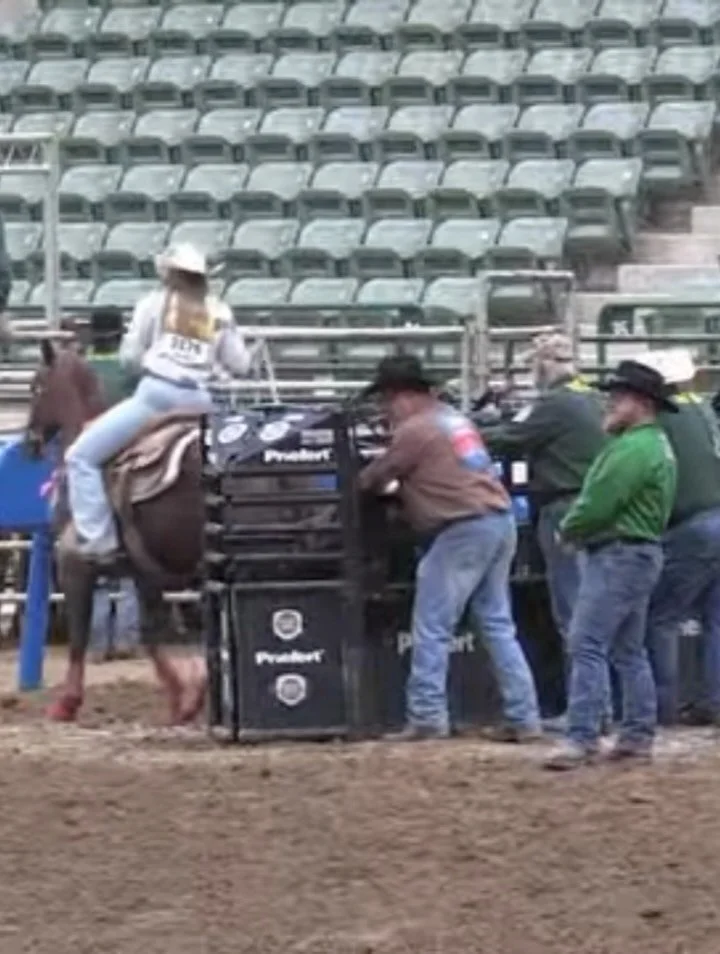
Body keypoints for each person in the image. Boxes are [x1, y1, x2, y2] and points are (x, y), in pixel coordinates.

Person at [358, 355, 542, 742]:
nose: (384, 410)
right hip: (497, 519)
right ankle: (524, 715)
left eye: (386, 402)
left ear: (401, 396)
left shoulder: (416, 430)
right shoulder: (454, 419)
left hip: (462, 526)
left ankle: (427, 714)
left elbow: (376, 477)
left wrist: (371, 484)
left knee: (432, 623)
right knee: (496, 623)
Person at [65, 242, 257, 563]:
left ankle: (100, 540)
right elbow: (240, 365)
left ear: (169, 273)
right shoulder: (219, 311)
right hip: (201, 403)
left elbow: (130, 359)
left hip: (156, 397)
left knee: (80, 457)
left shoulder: (152, 305)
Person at [545, 360, 678, 770]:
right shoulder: (651, 445)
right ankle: (636, 734)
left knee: (587, 642)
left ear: (639, 403)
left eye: (618, 397)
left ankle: (582, 736)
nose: (611, 402)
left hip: (618, 553)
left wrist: (570, 530)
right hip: (637, 552)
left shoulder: (633, 448)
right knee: (627, 649)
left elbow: (600, 501)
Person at [480, 333, 607, 707]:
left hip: (565, 508)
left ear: (545, 364)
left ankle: (586, 710)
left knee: (573, 613)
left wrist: (468, 431)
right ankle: (601, 707)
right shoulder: (596, 398)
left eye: (533, 364)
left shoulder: (556, 403)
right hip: (599, 508)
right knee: (597, 612)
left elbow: (510, 437)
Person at [640, 349, 720, 726]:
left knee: (662, 617)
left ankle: (663, 706)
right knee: (716, 618)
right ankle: (714, 702)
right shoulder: (703, 409)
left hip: (690, 525)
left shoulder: (664, 418)